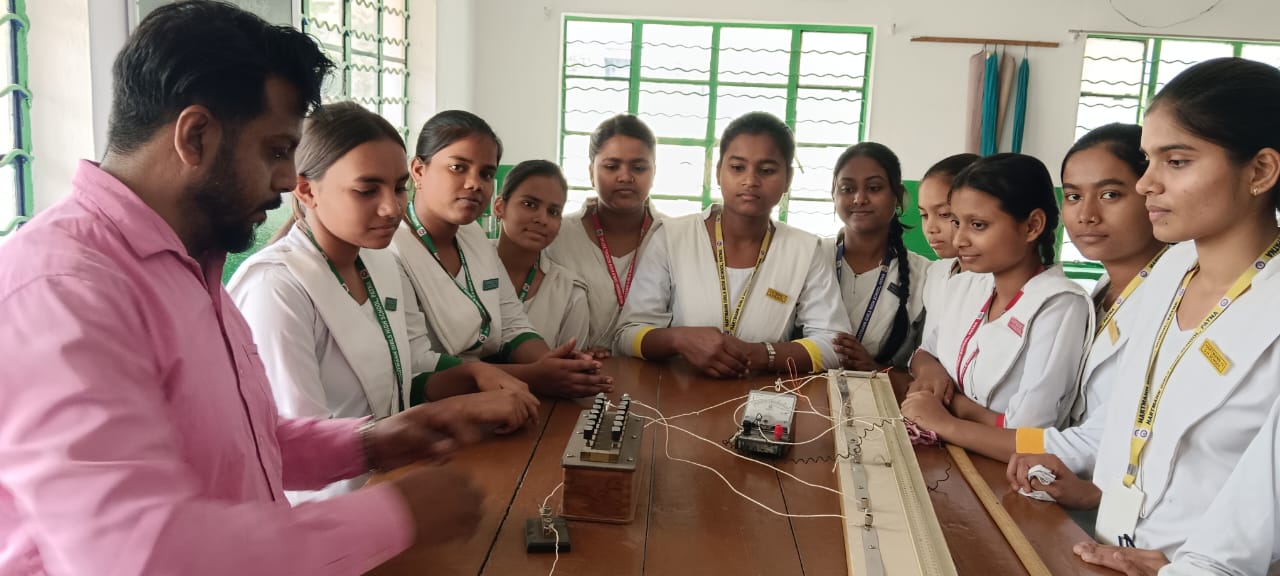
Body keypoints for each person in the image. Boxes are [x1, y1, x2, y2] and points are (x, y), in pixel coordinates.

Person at [0, 3, 535, 574]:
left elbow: (243, 444)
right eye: (277, 151)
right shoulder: (62, 288)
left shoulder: (189, 264)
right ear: (196, 135)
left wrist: (370, 442)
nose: (288, 179)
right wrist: (393, 515)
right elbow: (137, 554)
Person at [1003, 58, 1280, 569]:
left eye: (1176, 162)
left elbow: (1258, 508)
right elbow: (1136, 427)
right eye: (1149, 161)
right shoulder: (1170, 271)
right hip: (1107, 547)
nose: (1148, 183)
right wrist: (1097, 494)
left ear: (1260, 170)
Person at [229, 102, 538, 501]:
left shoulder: (377, 261)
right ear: (306, 190)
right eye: (366, 190)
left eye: (397, 187)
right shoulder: (277, 289)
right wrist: (454, 412)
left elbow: (412, 363)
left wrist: (475, 376)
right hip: (319, 517)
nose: (392, 208)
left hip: (388, 482)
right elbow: (300, 451)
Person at [391, 110, 612, 398]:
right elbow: (417, 362)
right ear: (419, 171)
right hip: (432, 407)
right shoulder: (393, 249)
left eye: (486, 173)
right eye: (458, 167)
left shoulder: (472, 236)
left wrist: (553, 363)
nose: (475, 183)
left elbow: (511, 321)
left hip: (487, 397)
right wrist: (535, 376)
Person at [613, 112, 851, 377]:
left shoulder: (804, 249)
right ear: (718, 172)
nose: (750, 180)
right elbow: (627, 335)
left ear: (788, 179)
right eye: (737, 167)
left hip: (766, 401)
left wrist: (763, 354)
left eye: (767, 170)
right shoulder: (672, 236)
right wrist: (678, 339)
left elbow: (835, 344)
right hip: (678, 400)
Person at [901, 153, 1094, 461]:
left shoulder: (1059, 305)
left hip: (1005, 474)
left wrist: (948, 416)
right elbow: (925, 352)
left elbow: (1029, 434)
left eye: (977, 225)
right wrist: (934, 374)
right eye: (956, 222)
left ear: (1032, 226)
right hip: (952, 454)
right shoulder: (967, 283)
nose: (960, 238)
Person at [1006, 124, 1166, 475]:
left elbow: (1091, 443)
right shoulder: (1104, 288)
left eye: (1110, 195)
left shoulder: (1171, 304)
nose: (1086, 215)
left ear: (1153, 195)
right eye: (1074, 196)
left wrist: (959, 428)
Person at [545, 114, 665, 357]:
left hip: (653, 378)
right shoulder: (557, 235)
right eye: (611, 166)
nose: (625, 177)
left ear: (654, 173)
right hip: (571, 373)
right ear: (591, 172)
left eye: (639, 167)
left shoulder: (671, 237)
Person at [821, 143, 930, 376]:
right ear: (833, 194)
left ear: (898, 196)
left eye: (873, 187)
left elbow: (930, 369)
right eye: (847, 189)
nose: (859, 198)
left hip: (882, 406)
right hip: (802, 395)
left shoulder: (925, 277)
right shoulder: (812, 256)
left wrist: (878, 370)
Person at [493, 159, 590, 349]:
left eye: (553, 212)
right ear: (499, 206)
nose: (542, 219)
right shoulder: (462, 264)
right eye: (529, 204)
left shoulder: (569, 293)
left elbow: (568, 370)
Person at [916, 153, 981, 341]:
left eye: (944, 214)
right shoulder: (936, 273)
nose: (930, 228)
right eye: (924, 215)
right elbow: (928, 350)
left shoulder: (995, 281)